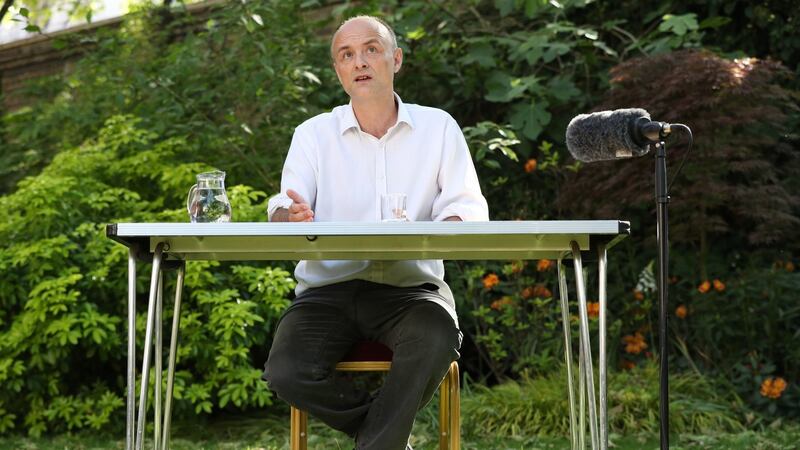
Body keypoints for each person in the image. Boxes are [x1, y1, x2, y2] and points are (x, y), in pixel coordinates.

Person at [263, 15, 489, 450]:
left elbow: (465, 205)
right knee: (286, 372)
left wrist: (450, 225)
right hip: (328, 290)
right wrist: (288, 216)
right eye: (346, 55)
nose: (359, 61)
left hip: (411, 290)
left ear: (396, 59)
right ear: (338, 72)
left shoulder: (439, 127)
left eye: (371, 49)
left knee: (436, 335)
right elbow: (282, 205)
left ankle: (378, 441)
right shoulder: (312, 134)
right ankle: (385, 439)